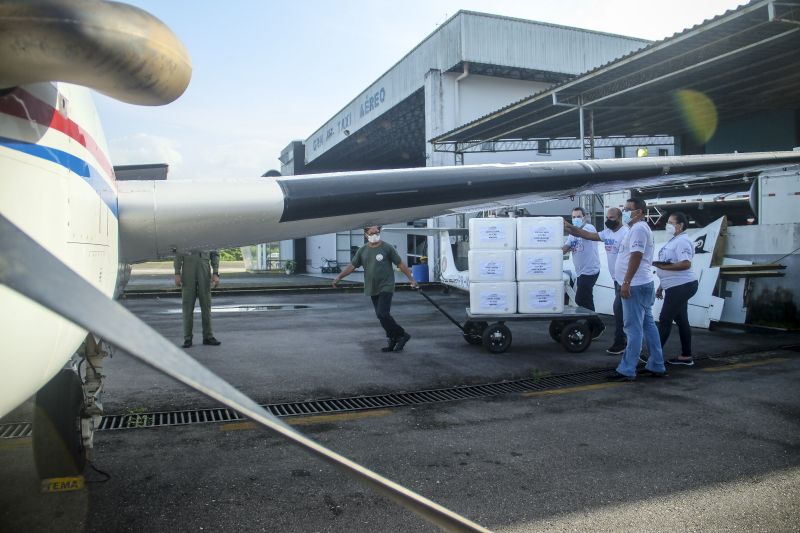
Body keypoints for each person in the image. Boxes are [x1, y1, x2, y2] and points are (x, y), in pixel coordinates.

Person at [332, 226, 418, 352]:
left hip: (386, 285)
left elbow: (400, 263)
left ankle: (402, 335)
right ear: (366, 235)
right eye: (371, 233)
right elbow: (352, 266)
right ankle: (393, 338)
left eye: (377, 233)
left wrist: (411, 278)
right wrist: (339, 277)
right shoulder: (362, 250)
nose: (375, 235)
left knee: (382, 313)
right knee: (381, 316)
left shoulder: (387, 247)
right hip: (372, 287)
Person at [607, 198, 666, 381]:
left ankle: (627, 369)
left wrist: (626, 282)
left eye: (628, 209)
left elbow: (636, 255)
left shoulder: (639, 229)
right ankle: (657, 364)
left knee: (633, 329)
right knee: (648, 326)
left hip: (635, 285)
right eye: (624, 208)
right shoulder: (636, 228)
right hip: (642, 283)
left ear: (639, 212)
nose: (624, 211)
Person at [565, 207, 629, 354]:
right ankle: (596, 326)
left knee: (617, 309)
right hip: (612, 277)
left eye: (612, 218)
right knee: (586, 300)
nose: (608, 220)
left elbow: (585, 233)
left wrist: (627, 280)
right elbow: (575, 241)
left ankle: (615, 337)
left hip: (600, 273)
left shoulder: (624, 233)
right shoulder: (607, 233)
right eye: (607, 217)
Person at [654, 212, 698, 366]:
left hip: (681, 286)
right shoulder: (675, 240)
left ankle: (655, 356)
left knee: (665, 319)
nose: (668, 225)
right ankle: (686, 356)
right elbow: (669, 263)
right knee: (681, 320)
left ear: (680, 226)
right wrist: (661, 285)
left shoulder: (682, 242)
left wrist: (662, 266)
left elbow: (686, 264)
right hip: (674, 286)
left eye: (671, 223)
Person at [174, 250, 221, 348]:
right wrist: (177, 273)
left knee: (206, 306)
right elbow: (178, 252)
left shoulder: (210, 234)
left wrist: (216, 272)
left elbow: (215, 253)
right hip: (188, 269)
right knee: (187, 307)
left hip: (204, 268)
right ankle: (188, 338)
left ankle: (208, 336)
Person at [562, 207, 601, 312]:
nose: (576, 219)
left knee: (580, 299)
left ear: (584, 217)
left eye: (578, 216)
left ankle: (597, 324)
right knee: (586, 299)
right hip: (580, 271)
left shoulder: (589, 228)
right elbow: (566, 246)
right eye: (573, 217)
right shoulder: (572, 233)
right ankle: (593, 324)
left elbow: (580, 233)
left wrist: (567, 226)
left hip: (590, 271)